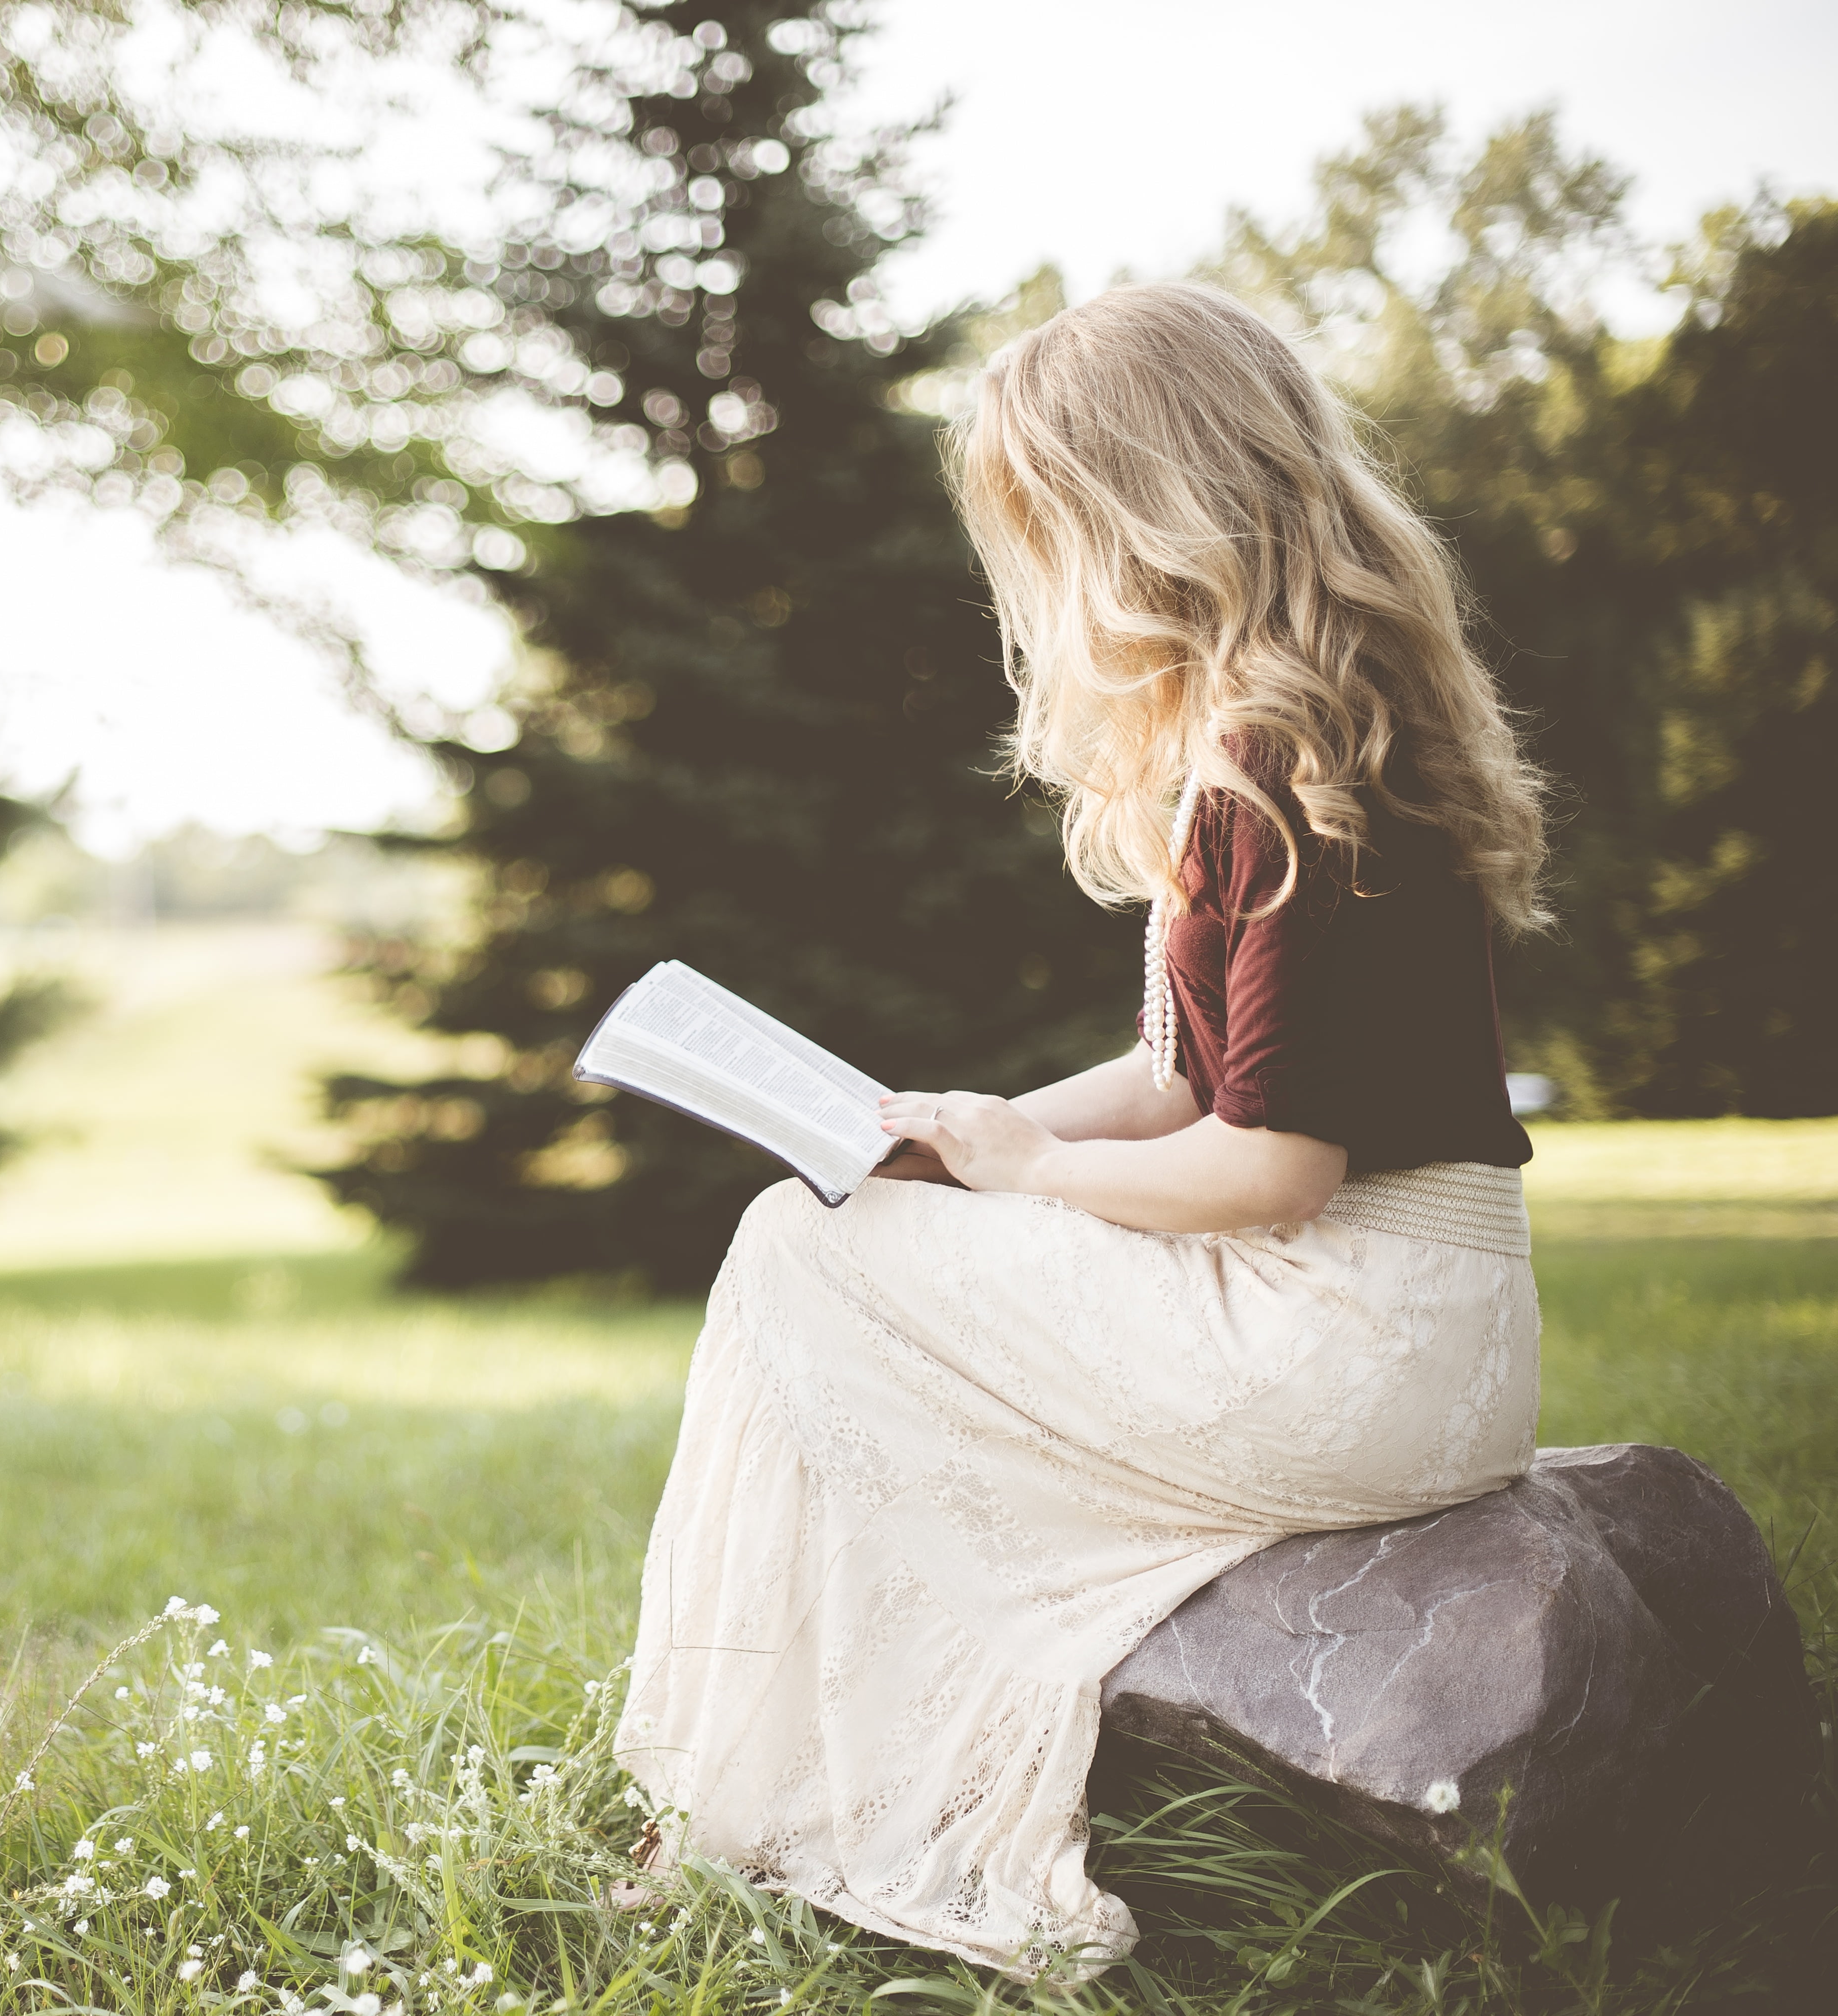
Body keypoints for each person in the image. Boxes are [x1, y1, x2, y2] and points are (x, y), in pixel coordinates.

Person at [610, 280, 1554, 1983]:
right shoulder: (1307, 722)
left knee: (789, 1254)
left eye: (1047, 527)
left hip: (1346, 1332)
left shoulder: (1273, 756)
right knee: (836, 1234)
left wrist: (1032, 1179)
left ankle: (748, 1800)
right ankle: (766, 1783)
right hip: (1418, 1333)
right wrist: (959, 1128)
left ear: (1144, 514)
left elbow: (1272, 1167)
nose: (1034, 582)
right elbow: (1177, 1080)